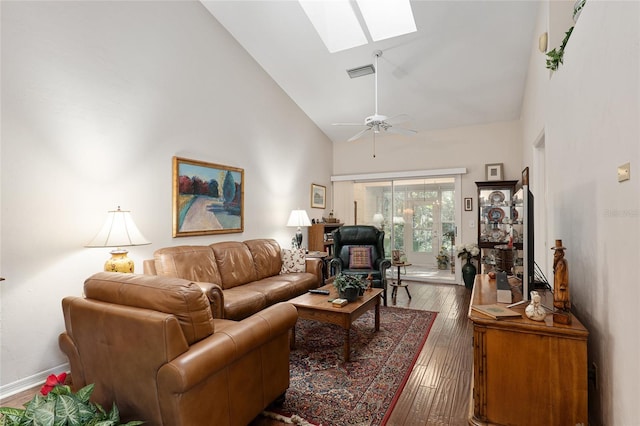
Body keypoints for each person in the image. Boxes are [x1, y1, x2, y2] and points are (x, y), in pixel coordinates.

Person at [551, 239, 571, 311]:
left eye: (556, 252)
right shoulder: (558, 263)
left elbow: (564, 275)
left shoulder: (562, 263)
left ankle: (563, 307)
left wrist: (563, 284)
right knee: (559, 298)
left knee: (561, 299)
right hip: (558, 285)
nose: (554, 254)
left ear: (560, 253)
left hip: (561, 286)